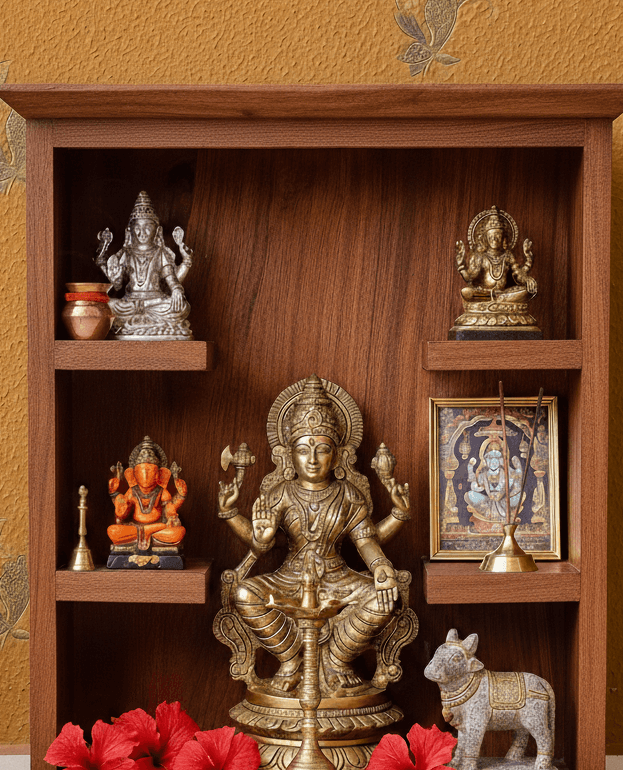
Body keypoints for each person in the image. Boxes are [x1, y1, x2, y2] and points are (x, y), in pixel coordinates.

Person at [217, 376, 407, 693]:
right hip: (290, 576)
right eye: (304, 450)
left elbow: (365, 541)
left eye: (322, 449)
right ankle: (292, 660)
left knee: (383, 596)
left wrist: (381, 568)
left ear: (338, 455)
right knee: (244, 595)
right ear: (288, 454)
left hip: (337, 576)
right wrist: (235, 518)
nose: (313, 459)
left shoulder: (347, 493)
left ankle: (335, 661)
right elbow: (259, 539)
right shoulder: (281, 492)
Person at [95, 191, 193, 339]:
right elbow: (117, 286)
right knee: (108, 305)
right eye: (137, 228)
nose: (142, 233)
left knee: (183, 307)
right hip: (130, 303)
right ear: (130, 231)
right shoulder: (126, 253)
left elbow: (171, 279)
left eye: (147, 227)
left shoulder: (160, 253)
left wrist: (177, 291)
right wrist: (106, 265)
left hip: (155, 301)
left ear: (157, 230)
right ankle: (145, 325)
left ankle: (135, 326)